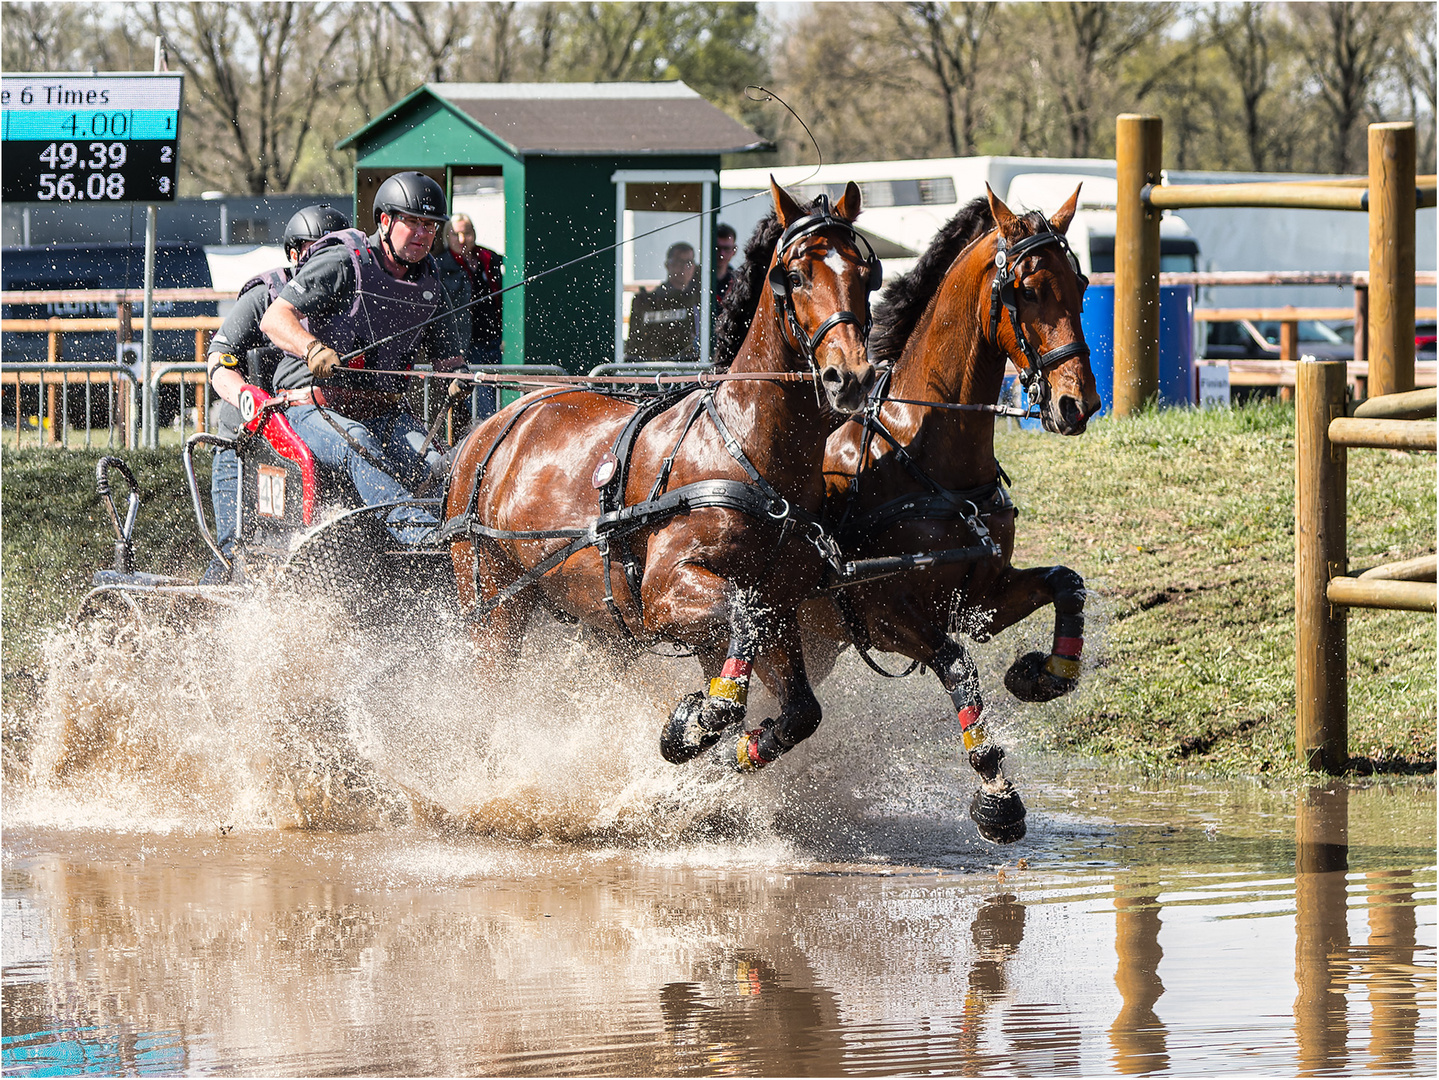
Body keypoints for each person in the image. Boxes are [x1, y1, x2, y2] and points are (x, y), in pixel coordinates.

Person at [258, 172, 469, 543]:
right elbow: (274, 319)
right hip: (312, 408)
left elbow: (449, 362)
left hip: (385, 413)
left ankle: (463, 538)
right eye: (413, 223)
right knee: (357, 442)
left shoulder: (432, 285)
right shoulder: (342, 263)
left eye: (431, 226)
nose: (422, 234)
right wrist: (311, 348)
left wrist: (460, 379)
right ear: (385, 221)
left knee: (441, 466)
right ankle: (421, 536)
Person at [203, 203, 350, 583]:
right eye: (316, 249)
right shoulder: (265, 295)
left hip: (310, 438)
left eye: (334, 249)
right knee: (237, 556)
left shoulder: (349, 298)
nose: (325, 258)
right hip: (247, 448)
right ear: (293, 253)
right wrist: (246, 397)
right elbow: (218, 360)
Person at [436, 212, 503, 417]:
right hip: (464, 348)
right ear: (448, 237)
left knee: (502, 398)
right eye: (456, 234)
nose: (463, 240)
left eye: (467, 233)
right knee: (483, 408)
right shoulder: (440, 266)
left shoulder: (489, 260)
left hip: (494, 343)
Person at [624, 241, 701, 362]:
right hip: (656, 367)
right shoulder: (652, 301)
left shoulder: (698, 299)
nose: (685, 267)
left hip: (689, 364)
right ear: (668, 265)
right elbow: (637, 344)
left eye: (689, 263)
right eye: (680, 262)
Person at [714, 223, 738, 310]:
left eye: (726, 249)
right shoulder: (696, 279)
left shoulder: (738, 282)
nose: (721, 254)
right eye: (717, 248)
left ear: (734, 250)